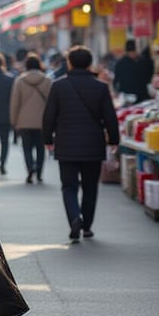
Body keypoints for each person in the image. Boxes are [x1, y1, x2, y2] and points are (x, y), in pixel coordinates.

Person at [42, 45, 120, 243]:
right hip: (93, 145)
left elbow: (49, 116)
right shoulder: (101, 87)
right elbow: (110, 117)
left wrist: (47, 140)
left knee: (69, 187)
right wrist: (113, 140)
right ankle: (87, 227)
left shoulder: (58, 86)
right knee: (90, 187)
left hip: (66, 145)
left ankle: (75, 218)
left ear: (69, 62)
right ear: (89, 63)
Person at [10, 54, 51, 184]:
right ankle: (39, 172)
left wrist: (14, 121)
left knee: (27, 147)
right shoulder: (47, 80)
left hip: (24, 121)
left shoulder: (20, 80)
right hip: (42, 121)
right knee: (40, 148)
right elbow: (51, 103)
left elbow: (15, 103)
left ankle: (30, 169)